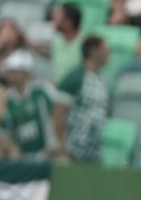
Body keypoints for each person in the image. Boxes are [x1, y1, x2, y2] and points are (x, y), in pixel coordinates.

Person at [0, 51, 66, 163]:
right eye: (10, 71)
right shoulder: (8, 100)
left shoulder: (42, 91)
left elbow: (59, 115)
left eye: (14, 71)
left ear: (25, 72)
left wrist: (56, 146)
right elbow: (4, 132)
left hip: (48, 154)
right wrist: (13, 151)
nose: (11, 74)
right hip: (23, 159)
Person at [58, 36, 110, 164]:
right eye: (106, 50)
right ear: (94, 51)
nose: (109, 54)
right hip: (75, 149)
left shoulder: (102, 80)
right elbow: (58, 115)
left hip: (95, 150)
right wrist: (63, 149)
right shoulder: (74, 78)